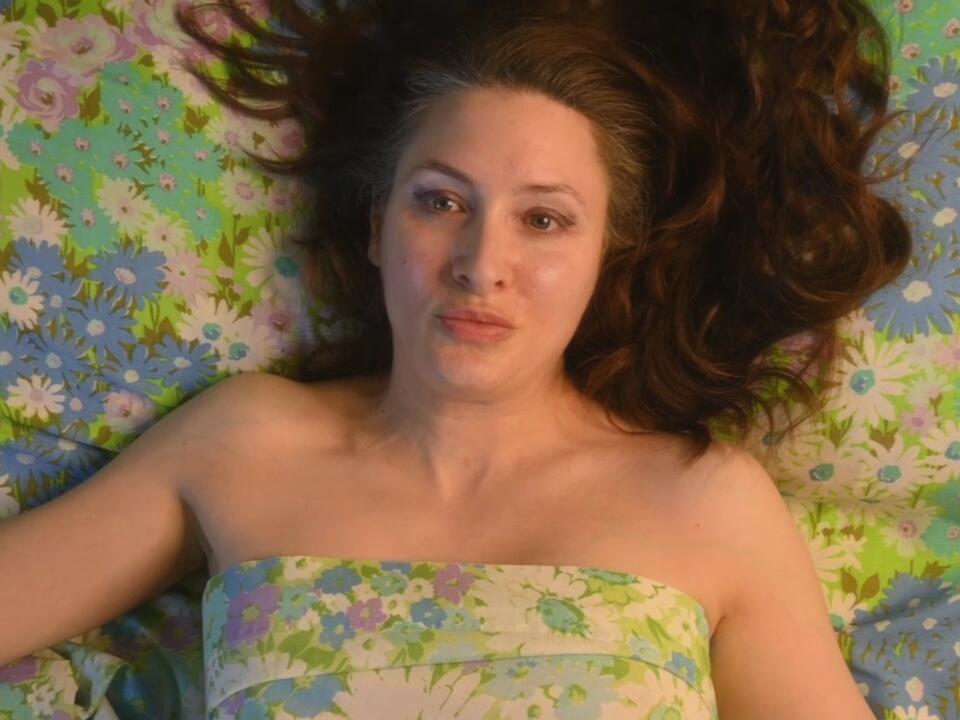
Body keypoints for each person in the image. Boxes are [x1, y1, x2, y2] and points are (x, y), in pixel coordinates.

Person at [2, 1, 917, 718]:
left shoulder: (705, 499)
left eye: (544, 220)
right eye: (441, 202)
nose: (482, 264)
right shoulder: (245, 444)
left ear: (604, 259)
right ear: (377, 227)